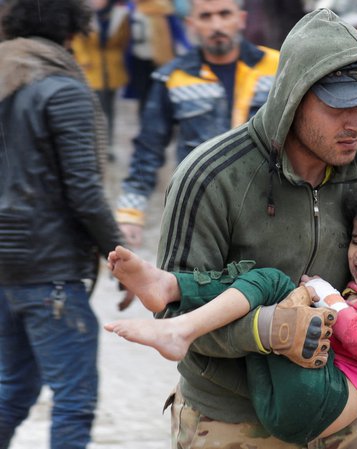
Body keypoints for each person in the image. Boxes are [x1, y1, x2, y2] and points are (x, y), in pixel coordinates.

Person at [150, 8, 357, 448]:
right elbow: (173, 314)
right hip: (233, 418)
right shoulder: (210, 177)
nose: (356, 122)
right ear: (292, 97)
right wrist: (266, 330)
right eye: (339, 104)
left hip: (344, 413)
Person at [104, 178, 357, 445]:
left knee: (273, 281)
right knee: (264, 298)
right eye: (356, 241)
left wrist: (325, 294)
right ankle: (170, 291)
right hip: (281, 408)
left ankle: (175, 303)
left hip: (324, 400)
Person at [0, 1, 133, 448]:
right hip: (49, 268)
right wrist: (122, 258)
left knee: (12, 391)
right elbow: (85, 193)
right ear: (75, 32)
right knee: (74, 400)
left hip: (8, 270)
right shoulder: (62, 90)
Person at [115, 0, 280, 248]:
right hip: (201, 211)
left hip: (269, 207)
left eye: (224, 14)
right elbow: (147, 150)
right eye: (206, 16)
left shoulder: (277, 67)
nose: (216, 25)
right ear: (191, 24)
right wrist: (130, 214)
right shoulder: (173, 78)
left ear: (241, 19)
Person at [71, 0, 131, 161]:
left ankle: (107, 144)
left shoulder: (120, 14)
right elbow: (77, 40)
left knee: (109, 109)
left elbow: (124, 40)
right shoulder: (85, 15)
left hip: (112, 68)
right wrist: (83, 60)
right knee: (90, 110)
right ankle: (91, 145)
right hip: (91, 69)